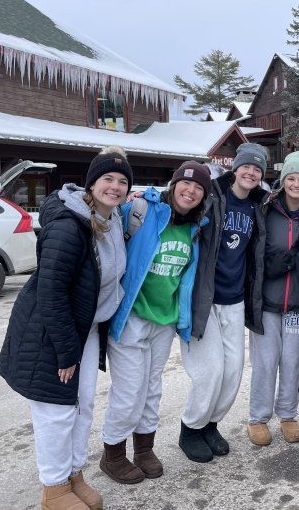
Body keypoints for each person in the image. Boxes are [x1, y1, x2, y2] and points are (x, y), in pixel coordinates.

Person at [0, 147, 132, 510]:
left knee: (82, 405)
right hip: (52, 330)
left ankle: (74, 475)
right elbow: (51, 290)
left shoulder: (112, 219)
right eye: (107, 179)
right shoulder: (69, 225)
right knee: (56, 410)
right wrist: (66, 349)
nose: (115, 187)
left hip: (86, 328)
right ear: (91, 183)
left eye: (122, 181)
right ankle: (54, 489)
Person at [99, 161, 210, 484]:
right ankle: (113, 454)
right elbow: (100, 215)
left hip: (165, 320)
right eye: (185, 184)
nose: (190, 191)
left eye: (198, 187)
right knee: (129, 390)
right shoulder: (141, 210)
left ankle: (144, 448)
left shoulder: (195, 227)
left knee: (151, 389)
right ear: (173, 185)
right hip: (132, 315)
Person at [179, 143, 268, 463]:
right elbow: (180, 202)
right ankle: (190, 427)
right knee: (210, 370)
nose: (251, 172)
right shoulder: (212, 195)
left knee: (232, 371)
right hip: (204, 298)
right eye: (247, 166)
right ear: (235, 167)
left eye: (258, 169)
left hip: (235, 300)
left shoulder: (259, 205)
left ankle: (210, 425)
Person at [247, 151, 299, 446]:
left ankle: (288, 414)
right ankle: (258, 417)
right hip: (266, 301)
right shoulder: (265, 210)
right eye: (291, 177)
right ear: (283, 180)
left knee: (293, 362)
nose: (296, 183)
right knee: (265, 362)